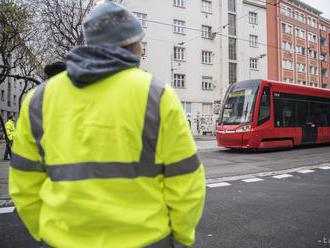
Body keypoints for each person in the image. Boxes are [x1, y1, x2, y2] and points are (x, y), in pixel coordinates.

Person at [9, 1, 205, 248]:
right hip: (145, 239)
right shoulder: (157, 95)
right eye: (140, 43)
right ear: (132, 44)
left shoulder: (38, 99)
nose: (142, 50)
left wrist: (44, 231)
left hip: (62, 239)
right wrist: (182, 235)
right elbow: (185, 180)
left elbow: (24, 181)